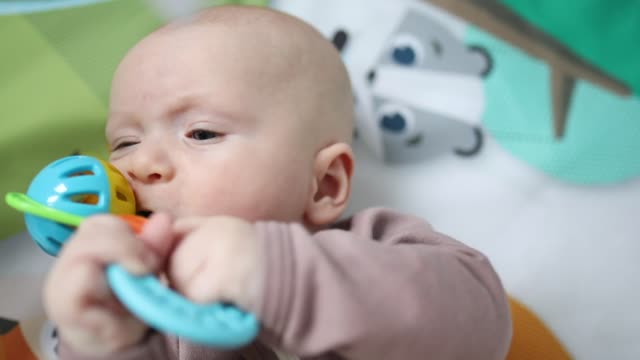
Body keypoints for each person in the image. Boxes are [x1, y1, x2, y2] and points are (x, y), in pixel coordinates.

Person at [44, 5, 511, 360]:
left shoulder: (378, 248)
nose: (138, 165)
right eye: (124, 142)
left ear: (324, 185)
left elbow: (480, 328)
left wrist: (275, 273)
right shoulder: (146, 306)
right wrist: (101, 340)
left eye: (201, 132)